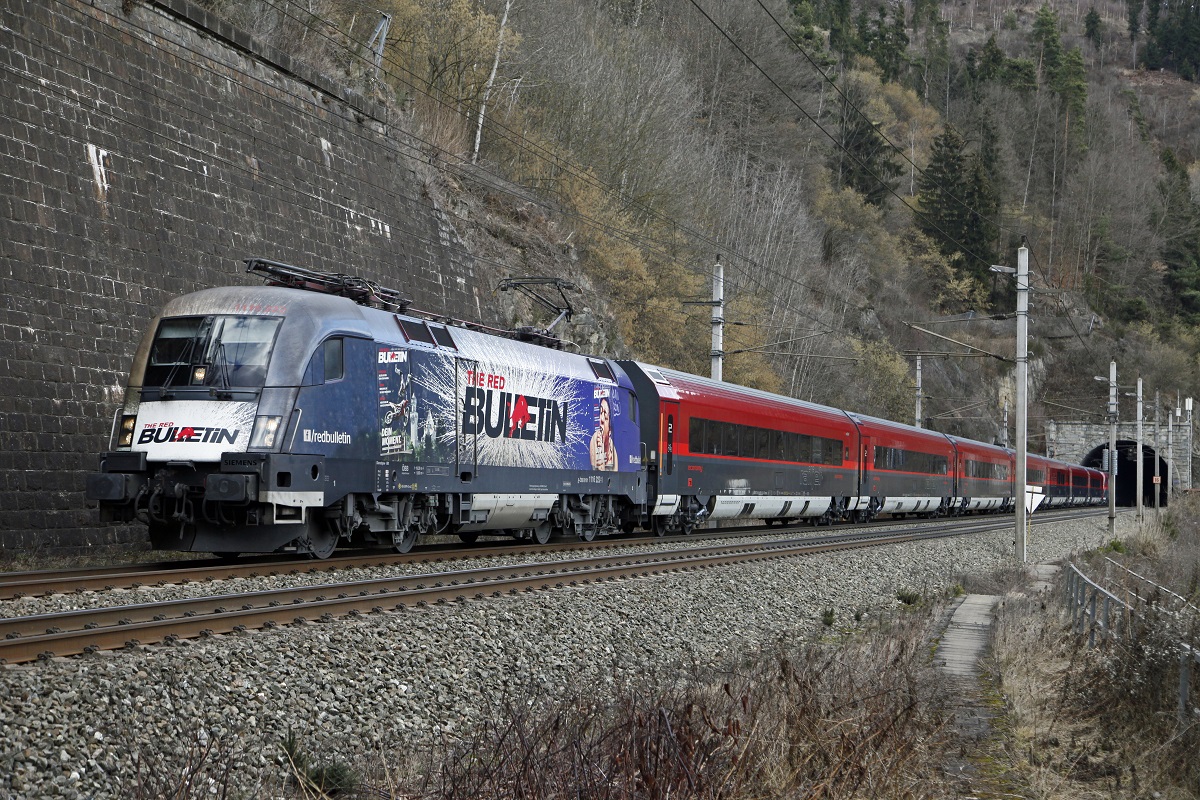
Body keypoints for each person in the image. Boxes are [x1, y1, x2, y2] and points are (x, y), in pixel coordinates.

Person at [590, 396, 617, 471]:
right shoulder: (594, 440)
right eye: (600, 412)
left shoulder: (613, 451)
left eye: (605, 415)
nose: (601, 419)